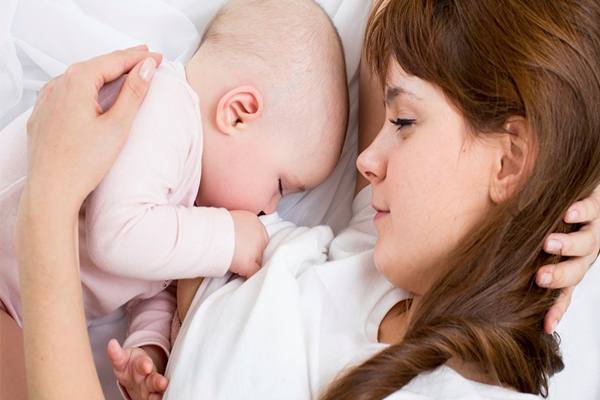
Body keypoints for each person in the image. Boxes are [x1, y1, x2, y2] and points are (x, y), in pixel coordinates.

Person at [12, 3, 600, 400]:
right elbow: (391, 17)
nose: (366, 160)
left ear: (507, 161)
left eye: (404, 121)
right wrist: (570, 186)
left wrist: (50, 199)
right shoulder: (388, 249)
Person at [0, 1, 348, 398]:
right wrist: (227, 238)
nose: (271, 209)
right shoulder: (164, 106)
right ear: (237, 113)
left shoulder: (185, 203)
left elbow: (150, 282)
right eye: (281, 185)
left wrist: (147, 348)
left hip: (22, 306)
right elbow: (116, 234)